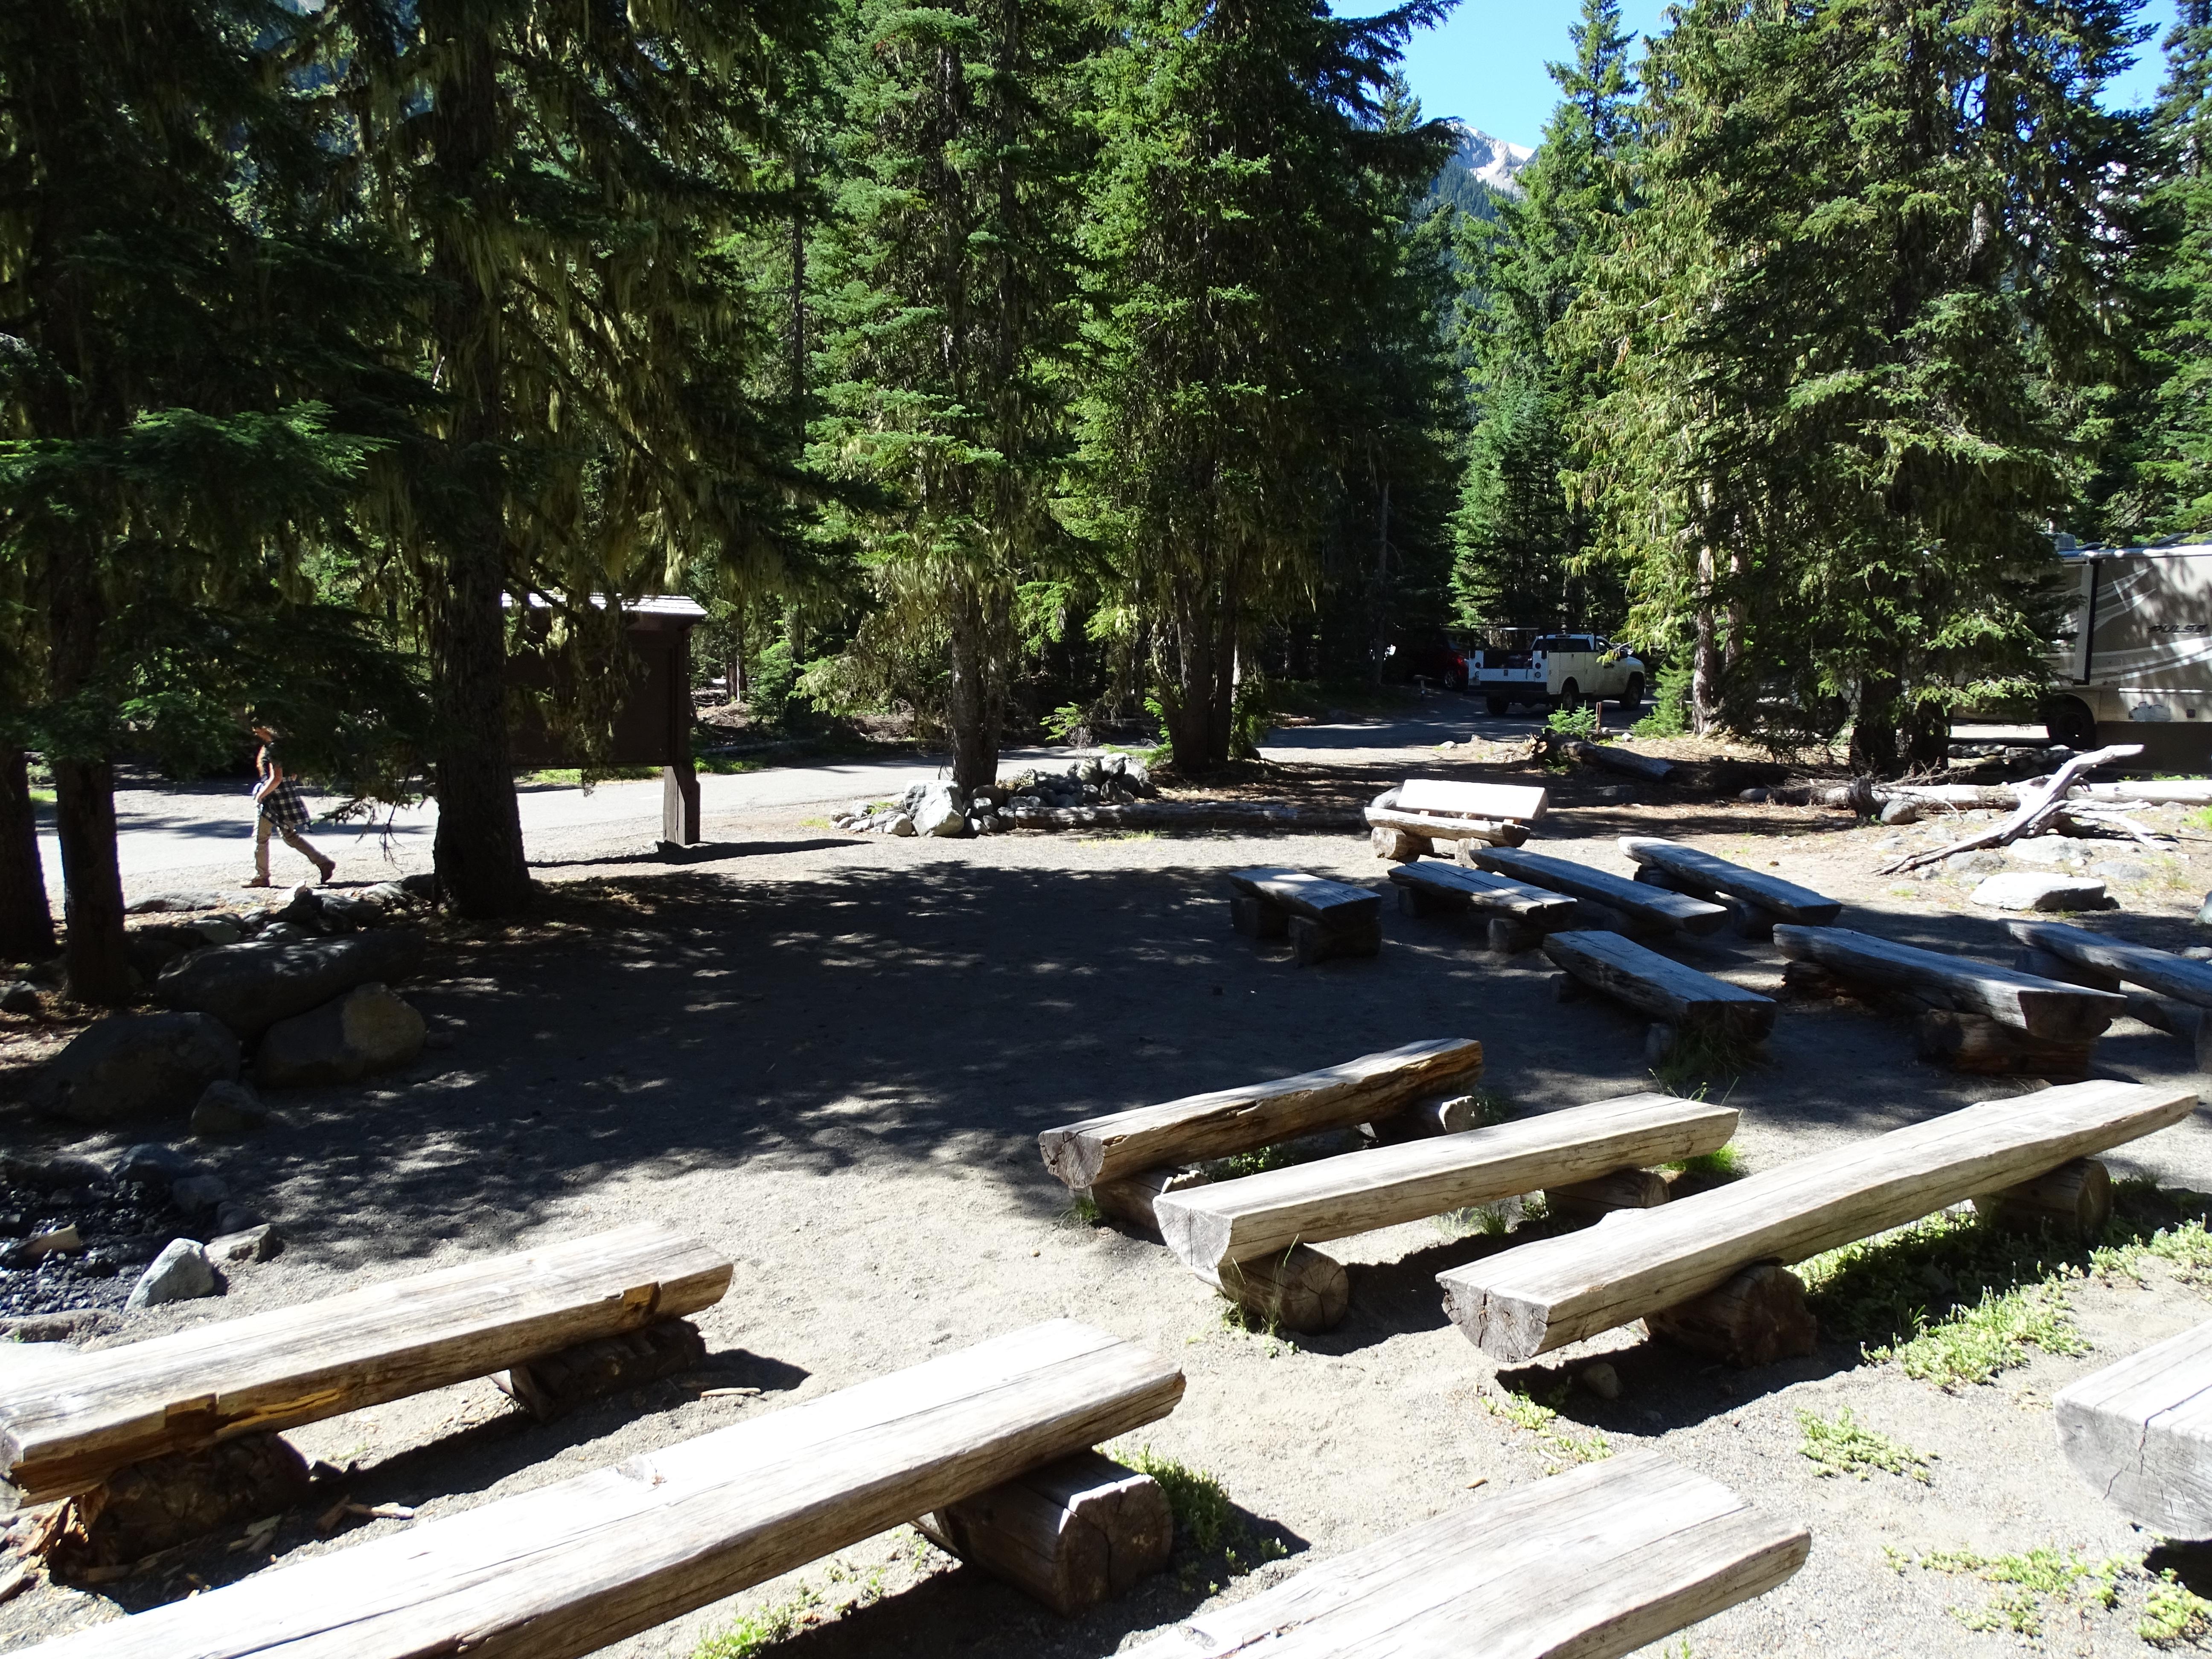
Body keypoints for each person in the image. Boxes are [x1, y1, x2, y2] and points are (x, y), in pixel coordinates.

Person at [244, 722, 335, 888]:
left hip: (273, 800)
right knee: (290, 836)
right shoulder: (286, 749)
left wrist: (260, 796)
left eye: (257, 729)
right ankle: (324, 862)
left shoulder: (273, 749)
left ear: (266, 730)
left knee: (261, 838)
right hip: (287, 796)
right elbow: (293, 775)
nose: (255, 732)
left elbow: (276, 778)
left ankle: (261, 877)